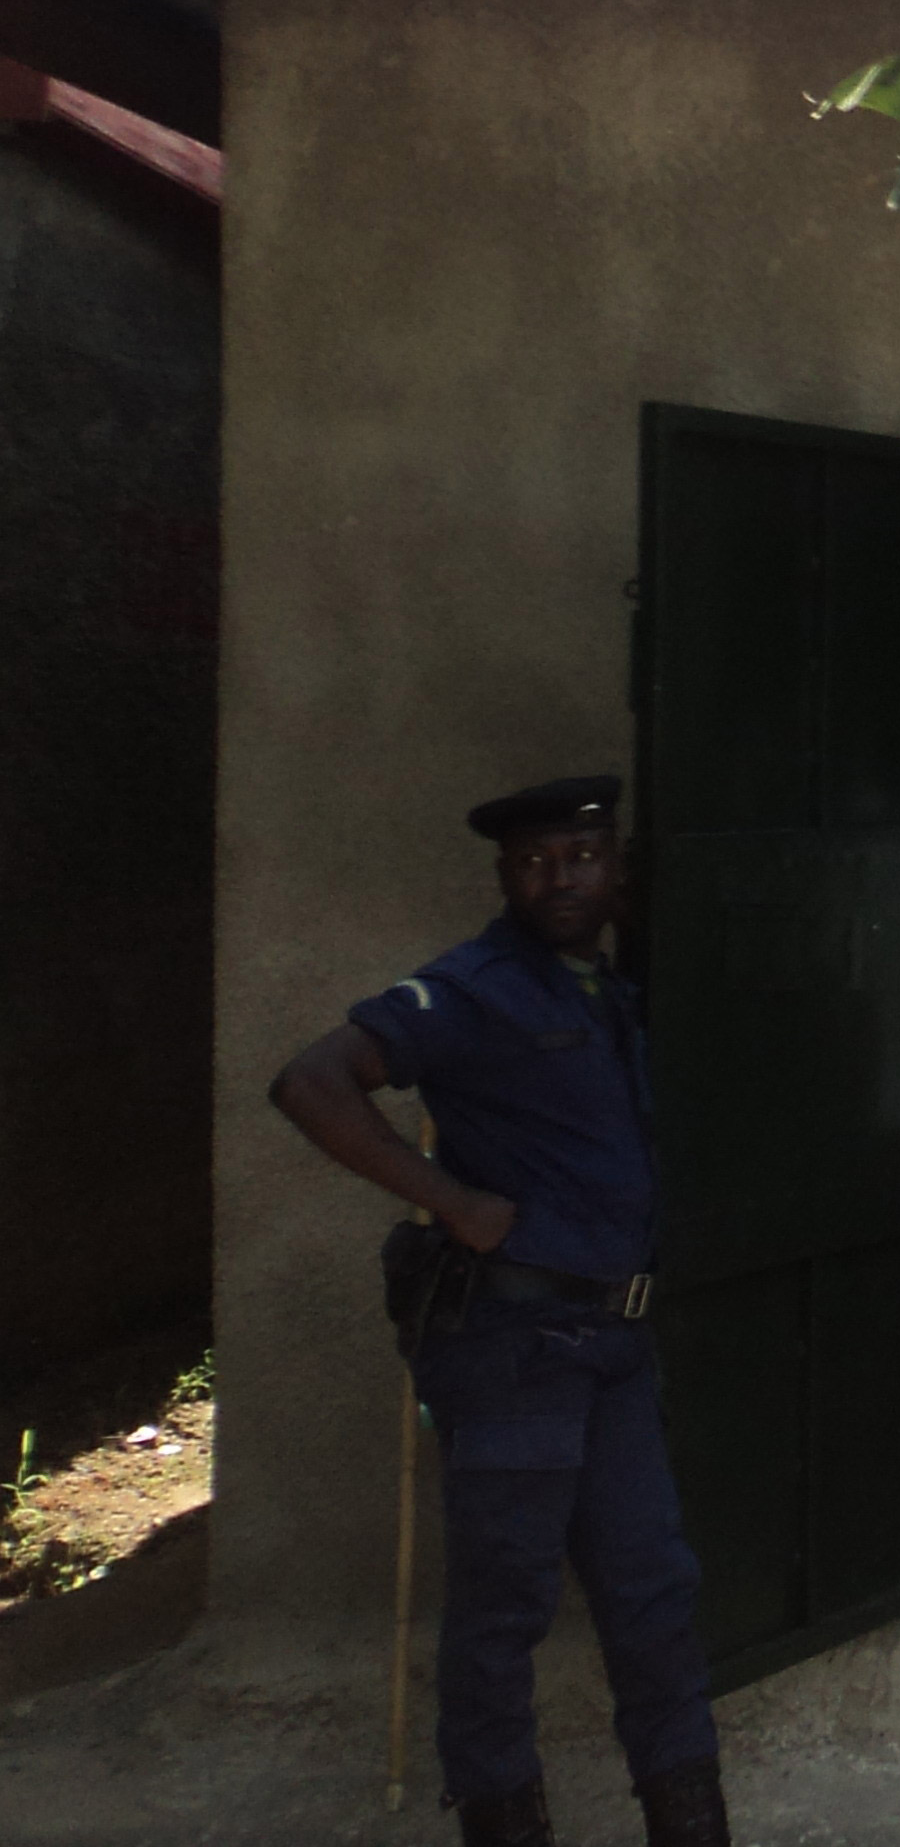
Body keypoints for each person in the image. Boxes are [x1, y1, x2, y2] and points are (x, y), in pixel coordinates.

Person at [266, 777, 727, 1847]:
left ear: (617, 870)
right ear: (504, 877)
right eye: (532, 861)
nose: (558, 878)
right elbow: (310, 1083)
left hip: (615, 1342)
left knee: (653, 1595)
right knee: (505, 1606)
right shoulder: (474, 989)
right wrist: (451, 1202)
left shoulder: (607, 991)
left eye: (582, 856)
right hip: (518, 1346)